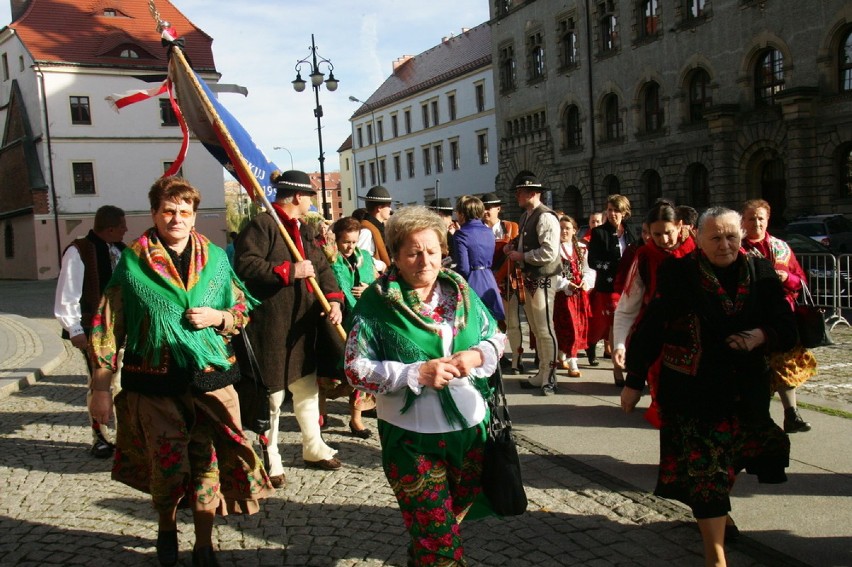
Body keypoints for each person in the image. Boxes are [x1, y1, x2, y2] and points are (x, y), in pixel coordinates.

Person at [88, 177, 273, 567]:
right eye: (168, 211)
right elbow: (108, 326)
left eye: (184, 212)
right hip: (153, 382)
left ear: (194, 217)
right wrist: (101, 388)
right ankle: (167, 527)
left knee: (207, 464)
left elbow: (242, 311)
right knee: (168, 467)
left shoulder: (218, 260)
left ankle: (204, 544)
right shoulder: (132, 263)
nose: (177, 219)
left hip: (212, 379)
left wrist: (218, 316)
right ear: (154, 213)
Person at [621, 207, 796, 567]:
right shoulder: (680, 273)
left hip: (746, 390)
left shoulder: (760, 271)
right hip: (694, 392)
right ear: (698, 239)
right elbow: (653, 324)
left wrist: (762, 334)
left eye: (731, 235)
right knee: (706, 471)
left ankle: (717, 516)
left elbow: (786, 323)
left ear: (742, 236)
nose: (725, 244)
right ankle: (715, 556)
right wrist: (634, 380)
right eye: (715, 237)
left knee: (732, 462)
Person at [343, 205, 505, 566]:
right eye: (414, 252)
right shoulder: (376, 303)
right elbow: (355, 369)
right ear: (396, 256)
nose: (425, 260)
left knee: (440, 527)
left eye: (432, 251)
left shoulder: (459, 290)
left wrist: (476, 356)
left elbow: (497, 338)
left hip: (470, 431)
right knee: (440, 542)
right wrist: (416, 373)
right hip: (411, 439)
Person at [234, 170, 346, 489]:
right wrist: (287, 271)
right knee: (273, 395)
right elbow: (246, 265)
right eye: (309, 196)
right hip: (271, 326)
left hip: (302, 325)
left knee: (307, 388)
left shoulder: (305, 229)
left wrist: (335, 300)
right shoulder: (263, 225)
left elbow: (322, 268)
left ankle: (313, 447)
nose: (311, 202)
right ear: (297, 197)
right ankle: (272, 458)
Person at [54, 204, 127, 459]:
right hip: (93, 329)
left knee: (122, 383)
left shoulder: (122, 250)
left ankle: (125, 436)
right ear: (109, 228)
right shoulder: (79, 251)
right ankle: (101, 436)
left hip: (122, 329)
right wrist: (74, 328)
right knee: (99, 383)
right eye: (122, 226)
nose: (126, 230)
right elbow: (68, 292)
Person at [613, 201, 696, 420]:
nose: (664, 240)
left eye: (668, 233)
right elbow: (627, 306)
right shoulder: (644, 256)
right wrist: (620, 343)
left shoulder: (700, 248)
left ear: (679, 225)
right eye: (656, 235)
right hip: (659, 333)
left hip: (698, 335)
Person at [741, 199, 814, 433]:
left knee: (785, 365)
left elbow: (801, 280)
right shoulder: (735, 248)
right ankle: (757, 420)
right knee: (757, 372)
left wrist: (787, 278)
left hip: (782, 317)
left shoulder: (781, 247)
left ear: (768, 219)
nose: (756, 222)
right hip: (750, 317)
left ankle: (791, 414)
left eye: (761, 218)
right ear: (742, 220)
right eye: (751, 218)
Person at [504, 175, 561, 394]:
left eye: (520, 192)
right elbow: (524, 242)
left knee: (545, 328)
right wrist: (511, 247)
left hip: (543, 278)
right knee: (537, 329)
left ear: (533, 193)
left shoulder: (546, 217)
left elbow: (549, 252)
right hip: (530, 278)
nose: (517, 195)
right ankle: (542, 373)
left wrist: (521, 255)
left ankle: (550, 376)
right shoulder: (526, 216)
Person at [322, 216, 379, 438]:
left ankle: (356, 420)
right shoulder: (329, 259)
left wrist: (369, 289)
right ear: (336, 239)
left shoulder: (364, 257)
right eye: (346, 241)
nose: (350, 246)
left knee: (360, 369)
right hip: (336, 321)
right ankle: (321, 413)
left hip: (362, 322)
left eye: (354, 242)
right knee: (329, 372)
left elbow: (378, 283)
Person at [587, 194, 636, 367]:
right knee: (605, 323)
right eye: (609, 210)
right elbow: (592, 261)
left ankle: (623, 356)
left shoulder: (630, 231)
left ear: (624, 212)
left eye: (616, 210)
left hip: (628, 285)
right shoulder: (599, 233)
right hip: (608, 286)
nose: (612, 214)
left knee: (625, 322)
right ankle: (591, 345)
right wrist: (612, 266)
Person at [452, 195, 505, 321]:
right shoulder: (488, 232)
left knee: (473, 322)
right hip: (489, 278)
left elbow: (464, 268)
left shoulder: (461, 234)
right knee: (490, 321)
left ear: (462, 214)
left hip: (472, 280)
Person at [553, 215, 593, 377]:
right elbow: (551, 273)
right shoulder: (554, 249)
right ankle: (572, 361)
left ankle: (563, 354)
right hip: (562, 295)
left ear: (574, 231)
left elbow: (589, 270)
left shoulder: (582, 248)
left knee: (578, 326)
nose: (564, 232)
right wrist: (564, 284)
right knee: (568, 326)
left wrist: (585, 281)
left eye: (567, 229)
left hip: (579, 295)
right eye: (561, 229)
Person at [481, 191, 519, 368]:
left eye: (490, 208)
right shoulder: (478, 229)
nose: (486, 211)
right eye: (484, 208)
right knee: (490, 321)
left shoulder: (511, 227)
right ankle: (496, 355)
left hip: (506, 281)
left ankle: (516, 358)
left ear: (499, 208)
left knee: (510, 320)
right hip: (486, 281)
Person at [357, 185, 393, 272]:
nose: (390, 209)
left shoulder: (377, 227)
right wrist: (381, 265)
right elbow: (361, 257)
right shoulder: (366, 231)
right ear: (379, 208)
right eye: (388, 206)